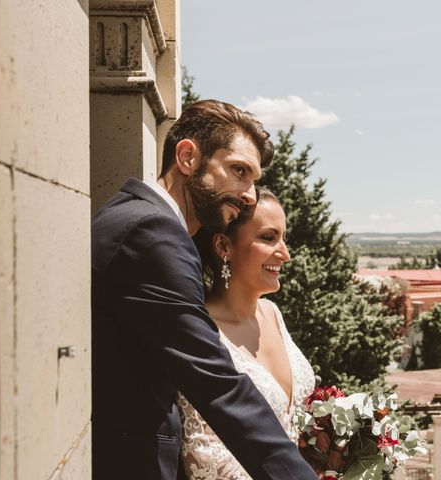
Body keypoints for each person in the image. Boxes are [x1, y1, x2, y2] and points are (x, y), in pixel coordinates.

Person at [91, 100, 317, 480]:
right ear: (187, 157)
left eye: (253, 180)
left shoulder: (137, 217)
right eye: (238, 171)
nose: (249, 194)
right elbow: (218, 385)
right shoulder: (153, 233)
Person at [178, 187, 316, 479]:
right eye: (268, 238)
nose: (285, 254)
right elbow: (207, 457)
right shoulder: (201, 332)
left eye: (284, 238)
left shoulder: (273, 314)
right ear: (223, 246)